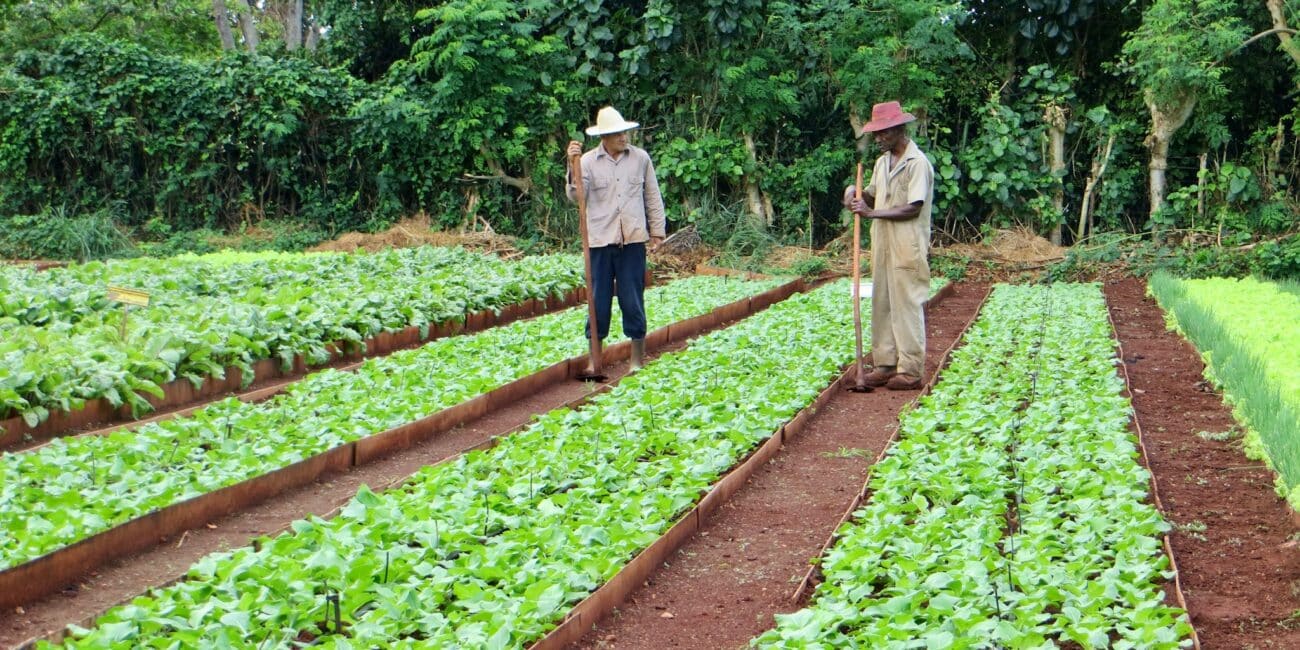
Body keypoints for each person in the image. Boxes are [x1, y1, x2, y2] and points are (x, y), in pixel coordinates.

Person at [842, 100, 934, 391]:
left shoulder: (917, 164)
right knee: (882, 303)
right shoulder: (882, 163)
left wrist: (871, 213)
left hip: (907, 245)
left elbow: (913, 208)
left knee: (906, 305)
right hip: (882, 244)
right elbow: (871, 196)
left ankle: (910, 370)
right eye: (876, 133)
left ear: (898, 130)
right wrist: (853, 194)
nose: (878, 138)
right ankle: (885, 364)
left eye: (883, 133)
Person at [565, 106, 666, 370]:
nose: (623, 137)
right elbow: (578, 197)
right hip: (599, 240)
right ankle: (594, 360)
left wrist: (657, 231)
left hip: (632, 239)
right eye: (617, 134)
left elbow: (652, 196)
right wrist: (570, 164)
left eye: (624, 132)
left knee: (632, 297)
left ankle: (636, 360)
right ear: (604, 137)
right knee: (598, 301)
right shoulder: (586, 161)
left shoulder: (640, 158)